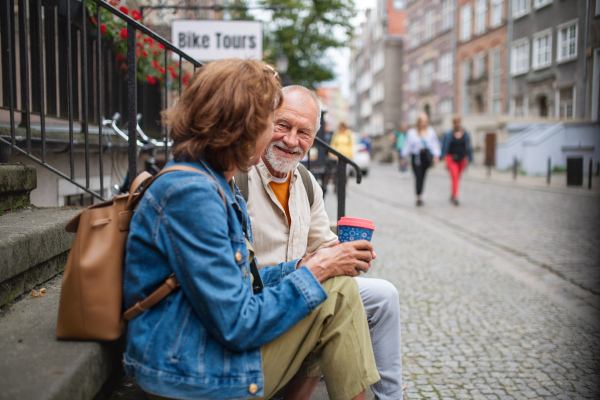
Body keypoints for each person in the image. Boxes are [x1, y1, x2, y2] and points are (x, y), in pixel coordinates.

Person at [122, 59, 380, 400]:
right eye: (271, 122)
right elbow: (236, 323)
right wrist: (316, 270)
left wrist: (302, 268)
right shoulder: (192, 194)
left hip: (200, 348)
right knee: (339, 293)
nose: (280, 136)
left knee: (333, 285)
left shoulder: (217, 183)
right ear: (241, 127)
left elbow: (244, 286)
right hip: (189, 369)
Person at [242, 85, 403, 400]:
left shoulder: (306, 182)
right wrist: (306, 267)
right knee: (329, 293)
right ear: (264, 122)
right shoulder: (239, 177)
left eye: (303, 132)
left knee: (384, 295)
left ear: (314, 139)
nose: (291, 140)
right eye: (283, 125)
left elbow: (324, 244)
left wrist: (347, 255)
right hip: (260, 299)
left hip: (299, 286)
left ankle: (390, 396)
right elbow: (240, 281)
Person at [400, 113, 441, 206]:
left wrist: (436, 155)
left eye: (426, 121)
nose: (424, 123)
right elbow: (407, 145)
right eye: (422, 121)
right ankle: (418, 196)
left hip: (426, 157)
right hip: (416, 157)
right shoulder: (412, 132)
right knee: (418, 176)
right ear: (419, 122)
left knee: (423, 176)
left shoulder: (430, 131)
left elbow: (435, 144)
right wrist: (403, 157)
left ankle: (420, 194)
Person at [441, 116, 473, 206]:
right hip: (451, 158)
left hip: (462, 159)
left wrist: (469, 158)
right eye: (455, 122)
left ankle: (453, 193)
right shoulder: (448, 134)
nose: (457, 124)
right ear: (453, 123)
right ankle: (456, 197)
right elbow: (445, 147)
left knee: (457, 178)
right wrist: (444, 159)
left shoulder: (465, 134)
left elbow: (468, 147)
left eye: (458, 122)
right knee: (455, 177)